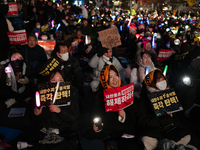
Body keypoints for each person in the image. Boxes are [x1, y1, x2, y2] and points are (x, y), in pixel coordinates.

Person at [82, 65, 140, 150]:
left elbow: (134, 117)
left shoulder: (126, 93)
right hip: (105, 131)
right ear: (105, 79)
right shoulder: (98, 97)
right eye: (110, 77)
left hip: (123, 131)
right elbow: (94, 117)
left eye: (116, 75)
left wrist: (123, 116)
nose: (114, 79)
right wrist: (96, 125)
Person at [137, 69, 191, 150]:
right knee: (145, 140)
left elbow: (185, 105)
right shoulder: (144, 98)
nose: (162, 81)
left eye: (163, 79)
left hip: (170, 131)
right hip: (153, 132)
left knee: (187, 136)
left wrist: (190, 87)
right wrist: (165, 118)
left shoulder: (170, 93)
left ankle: (165, 146)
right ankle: (170, 146)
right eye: (158, 80)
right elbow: (143, 121)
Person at [31, 70, 79, 149]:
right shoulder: (41, 95)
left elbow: (74, 117)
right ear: (48, 82)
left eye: (60, 80)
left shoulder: (71, 94)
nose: (57, 83)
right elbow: (34, 120)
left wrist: (60, 111)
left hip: (64, 132)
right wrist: (37, 115)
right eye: (53, 80)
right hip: (45, 132)